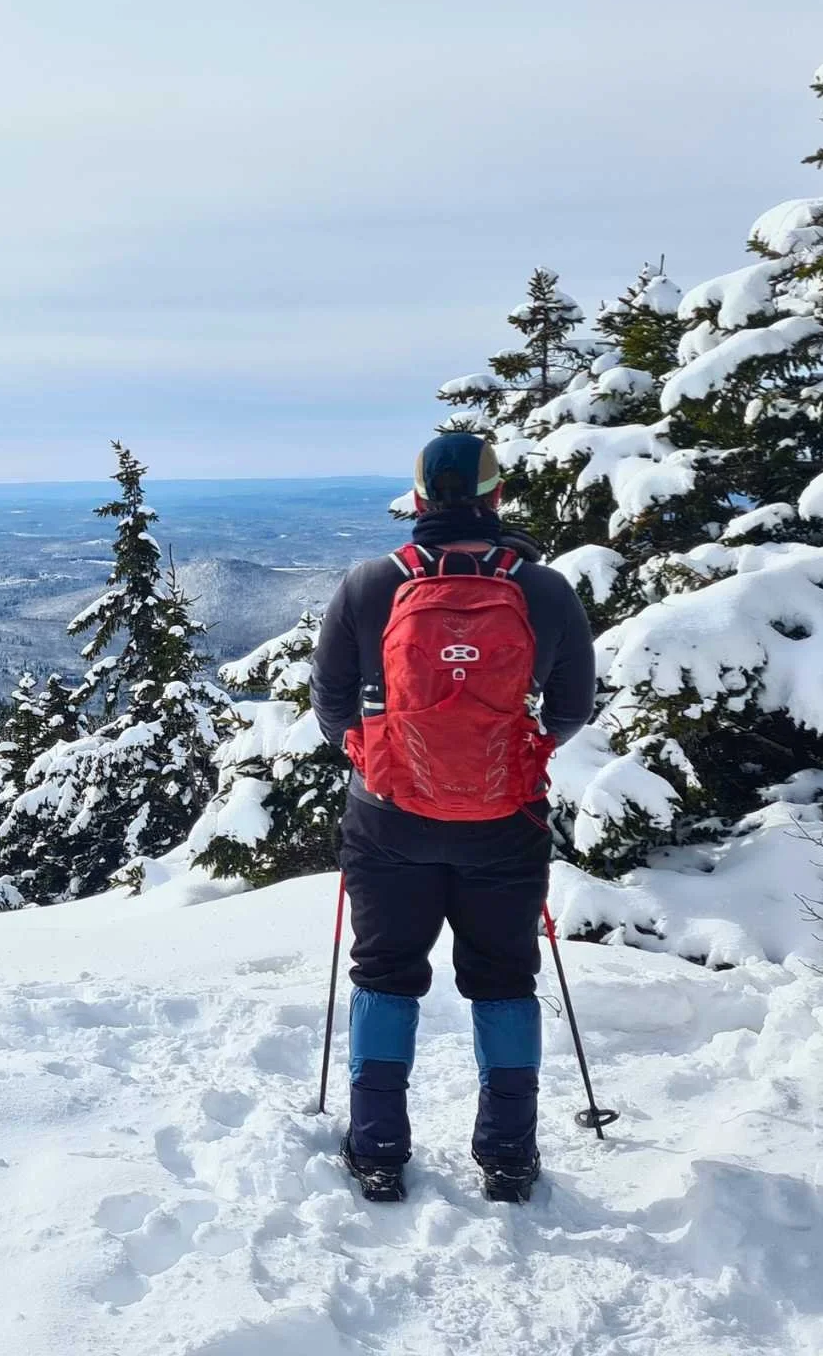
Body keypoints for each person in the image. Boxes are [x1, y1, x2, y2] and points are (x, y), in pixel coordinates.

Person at [310, 432, 595, 1203]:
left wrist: (377, 757)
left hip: (386, 819)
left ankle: (376, 1150)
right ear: (497, 498)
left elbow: (330, 705)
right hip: (506, 822)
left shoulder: (371, 585)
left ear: (420, 500)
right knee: (504, 980)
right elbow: (571, 709)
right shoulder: (544, 591)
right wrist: (506, 757)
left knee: (384, 975)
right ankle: (507, 1157)